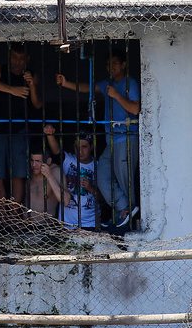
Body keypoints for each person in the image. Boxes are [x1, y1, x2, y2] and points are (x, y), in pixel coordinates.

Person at [55, 49, 140, 228]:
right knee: (102, 176)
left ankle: (128, 218)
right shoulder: (108, 84)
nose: (111, 67)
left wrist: (116, 95)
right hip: (111, 139)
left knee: (125, 179)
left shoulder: (129, 84)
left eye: (115, 63)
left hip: (125, 137)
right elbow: (90, 88)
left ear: (124, 64)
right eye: (108, 64)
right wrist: (67, 83)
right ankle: (124, 209)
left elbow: (135, 109)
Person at [0, 43, 42, 204]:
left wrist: (32, 85)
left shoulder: (31, 75)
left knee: (18, 175)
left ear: (27, 59)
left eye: (21, 58)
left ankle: (14, 217)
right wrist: (11, 89)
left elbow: (37, 104)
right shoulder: (0, 70)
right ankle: (1, 220)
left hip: (20, 129)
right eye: (14, 57)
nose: (18, 61)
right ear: (9, 56)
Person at [43, 124, 99, 230]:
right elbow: (56, 151)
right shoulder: (68, 160)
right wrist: (50, 135)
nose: (80, 151)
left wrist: (90, 188)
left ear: (92, 147)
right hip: (66, 224)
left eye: (84, 147)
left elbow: (104, 198)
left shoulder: (98, 165)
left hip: (89, 224)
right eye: (77, 147)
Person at [26, 147, 69, 222]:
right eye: (32, 160)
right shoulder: (29, 172)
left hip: (45, 227)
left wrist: (49, 176)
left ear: (48, 161)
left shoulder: (55, 171)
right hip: (25, 226)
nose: (33, 165)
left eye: (38, 161)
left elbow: (66, 200)